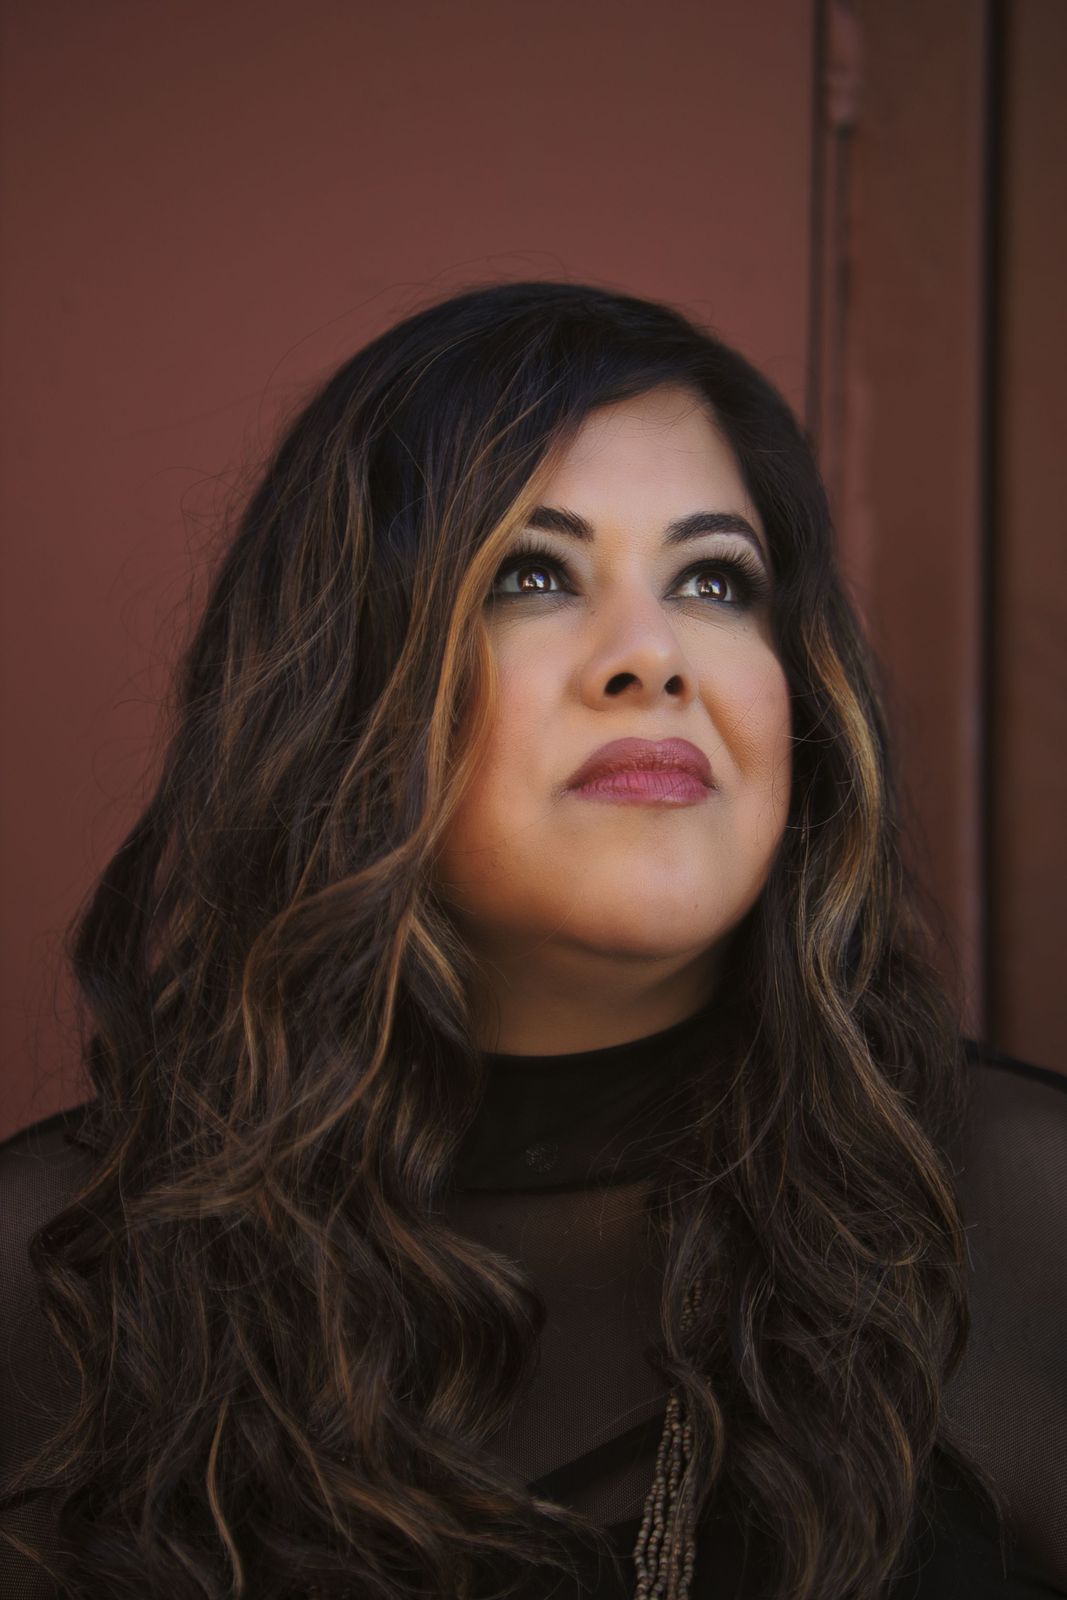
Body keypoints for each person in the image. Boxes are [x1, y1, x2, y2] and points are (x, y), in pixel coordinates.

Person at [0, 280, 1064, 1600]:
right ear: (349, 689)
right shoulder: (63, 1275)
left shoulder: (1021, 1219)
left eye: (715, 580)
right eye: (534, 574)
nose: (652, 656)